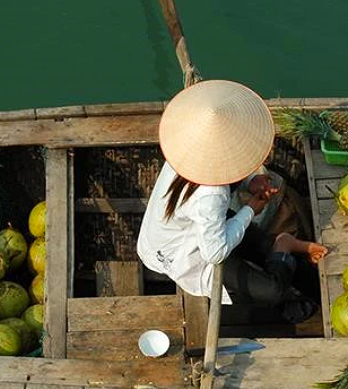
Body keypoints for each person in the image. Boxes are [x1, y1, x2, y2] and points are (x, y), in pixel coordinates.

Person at [137, 80, 328, 323]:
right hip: (184, 251)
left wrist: (252, 181)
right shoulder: (212, 194)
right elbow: (214, 253)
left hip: (200, 227)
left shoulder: (186, 149)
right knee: (272, 291)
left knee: (257, 244)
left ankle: (284, 248)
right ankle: (284, 247)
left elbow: (228, 165)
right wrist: (250, 209)